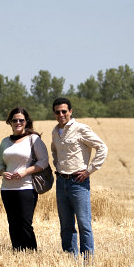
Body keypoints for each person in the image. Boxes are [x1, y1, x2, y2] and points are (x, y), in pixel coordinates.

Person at [51, 97, 108, 257]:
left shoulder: (81, 129)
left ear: (70, 111)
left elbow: (102, 147)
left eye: (64, 111)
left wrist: (89, 170)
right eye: (58, 112)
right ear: (54, 114)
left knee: (84, 223)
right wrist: (58, 165)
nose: (61, 114)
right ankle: (70, 258)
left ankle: (87, 260)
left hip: (79, 182)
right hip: (61, 181)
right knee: (66, 225)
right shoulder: (55, 132)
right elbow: (54, 150)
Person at [0, 107, 49, 251]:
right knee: (12, 223)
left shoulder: (33, 139)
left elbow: (44, 161)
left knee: (25, 222)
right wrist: (2, 172)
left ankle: (31, 253)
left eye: (21, 120)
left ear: (26, 122)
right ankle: (17, 252)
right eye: (15, 120)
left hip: (27, 188)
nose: (18, 122)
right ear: (10, 122)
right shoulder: (5, 141)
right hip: (7, 189)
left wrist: (26, 172)